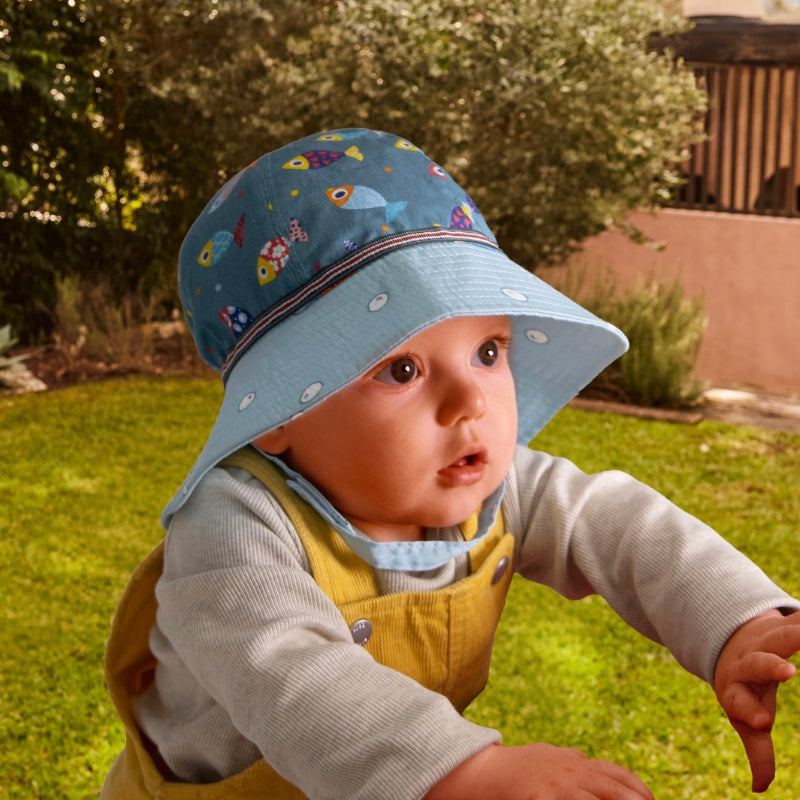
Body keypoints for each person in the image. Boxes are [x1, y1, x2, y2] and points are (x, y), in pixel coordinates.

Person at [100, 128, 800, 800]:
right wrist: (464, 773)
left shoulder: (489, 486)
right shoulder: (231, 530)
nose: (470, 400)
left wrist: (735, 621)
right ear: (279, 411)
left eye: (488, 351)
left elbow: (619, 524)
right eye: (401, 368)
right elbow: (291, 677)